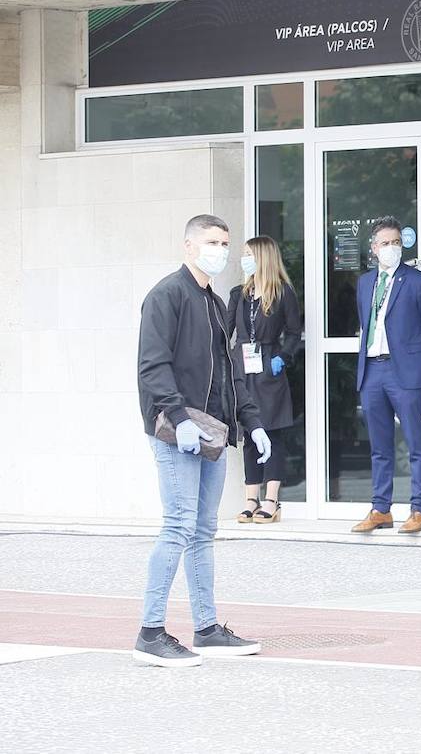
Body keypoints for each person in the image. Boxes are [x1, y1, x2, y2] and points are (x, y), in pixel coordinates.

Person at [134, 214, 268, 667]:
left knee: (203, 533)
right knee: (177, 528)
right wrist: (177, 416)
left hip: (211, 432)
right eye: (212, 241)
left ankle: (207, 628)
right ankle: (150, 632)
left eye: (225, 242)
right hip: (177, 431)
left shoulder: (213, 302)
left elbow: (230, 369)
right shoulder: (166, 295)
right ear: (189, 246)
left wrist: (252, 422)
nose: (221, 250)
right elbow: (153, 366)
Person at [351, 216, 421, 536]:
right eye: (385, 243)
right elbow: (367, 326)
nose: (391, 248)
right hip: (372, 369)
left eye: (396, 242)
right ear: (374, 248)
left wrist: (418, 361)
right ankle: (381, 508)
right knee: (380, 445)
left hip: (404, 372)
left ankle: (419, 509)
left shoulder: (418, 281)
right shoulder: (365, 283)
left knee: (416, 440)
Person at [228, 236, 302, 524]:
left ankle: (271, 500)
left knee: (271, 432)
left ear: (264, 257)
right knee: (249, 433)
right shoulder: (239, 293)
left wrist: (282, 357)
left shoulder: (283, 293)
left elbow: (295, 332)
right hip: (243, 369)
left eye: (249, 253)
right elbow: (227, 329)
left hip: (269, 370)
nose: (244, 258)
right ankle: (251, 498)